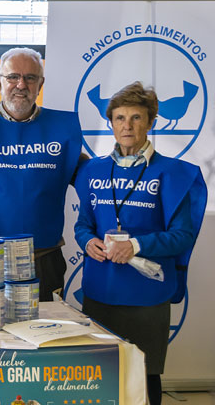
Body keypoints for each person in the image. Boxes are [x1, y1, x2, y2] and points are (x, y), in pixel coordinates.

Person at [74, 82, 206, 405]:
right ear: (111, 123)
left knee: (146, 378)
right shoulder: (93, 170)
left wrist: (136, 245)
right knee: (98, 377)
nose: (127, 125)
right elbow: (82, 224)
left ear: (151, 122)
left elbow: (183, 236)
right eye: (119, 118)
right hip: (100, 293)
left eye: (136, 117)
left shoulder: (173, 174)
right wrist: (87, 240)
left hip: (147, 297)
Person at [0, 47, 83, 300]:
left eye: (30, 78)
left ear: (40, 84)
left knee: (45, 335)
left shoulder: (63, 130)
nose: (21, 84)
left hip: (43, 258)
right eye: (12, 77)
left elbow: (92, 180)